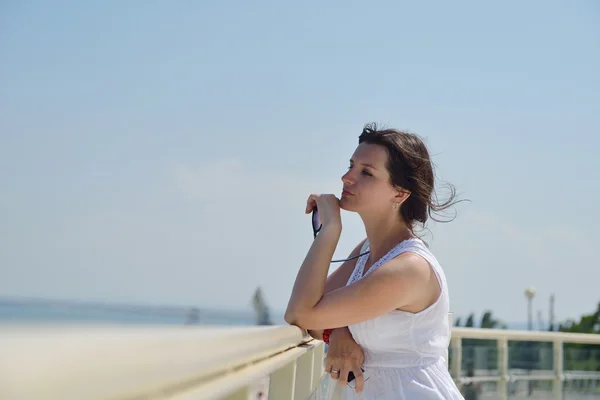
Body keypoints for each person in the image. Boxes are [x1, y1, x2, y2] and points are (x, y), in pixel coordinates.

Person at [285, 123, 465, 399]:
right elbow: (310, 313)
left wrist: (330, 231)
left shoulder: (408, 268)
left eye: (366, 172)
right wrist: (338, 332)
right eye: (351, 166)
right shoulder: (369, 251)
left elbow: (301, 312)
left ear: (400, 193)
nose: (346, 177)